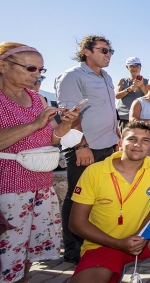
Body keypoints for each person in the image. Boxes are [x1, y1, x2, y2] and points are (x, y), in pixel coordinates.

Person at [68, 121, 150, 283]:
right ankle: (112, 268)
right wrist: (119, 243)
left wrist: (139, 236)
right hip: (104, 244)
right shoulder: (94, 172)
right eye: (132, 139)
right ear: (120, 143)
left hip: (141, 240)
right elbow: (76, 223)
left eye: (145, 140)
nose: (138, 144)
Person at [0, 43, 79, 283]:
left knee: (24, 254)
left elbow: (52, 137)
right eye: (31, 68)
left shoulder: (38, 98)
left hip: (39, 185)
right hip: (7, 186)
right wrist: (34, 124)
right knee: (7, 251)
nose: (37, 75)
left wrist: (66, 124)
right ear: (3, 66)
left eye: (41, 70)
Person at [55, 35, 120, 264]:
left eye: (110, 50)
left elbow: (109, 111)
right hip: (84, 147)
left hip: (107, 146)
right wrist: (81, 145)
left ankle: (95, 242)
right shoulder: (72, 76)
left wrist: (117, 137)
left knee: (100, 197)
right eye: (103, 50)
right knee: (77, 197)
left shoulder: (107, 77)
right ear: (86, 51)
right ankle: (73, 250)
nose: (108, 54)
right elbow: (69, 114)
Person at [115, 57, 148, 132]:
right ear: (127, 67)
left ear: (140, 67)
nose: (134, 68)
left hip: (141, 117)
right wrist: (130, 89)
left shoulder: (147, 82)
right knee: (124, 140)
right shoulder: (122, 81)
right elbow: (117, 95)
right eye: (131, 66)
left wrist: (142, 86)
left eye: (136, 66)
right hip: (124, 117)